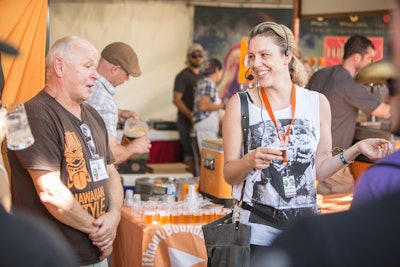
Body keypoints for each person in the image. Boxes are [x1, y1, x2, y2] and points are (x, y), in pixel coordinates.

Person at [222, 21, 393, 263]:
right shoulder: (240, 104)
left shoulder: (316, 103)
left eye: (264, 55)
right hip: (255, 232)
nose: (255, 63)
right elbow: (229, 173)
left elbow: (320, 169)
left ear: (286, 56)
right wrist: (249, 160)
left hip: (303, 229)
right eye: (251, 56)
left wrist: (355, 150)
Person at [8, 36, 123, 266]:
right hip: (53, 256)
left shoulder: (93, 115)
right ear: (59, 67)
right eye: (87, 66)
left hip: (95, 253)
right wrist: (100, 233)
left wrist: (114, 216)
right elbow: (50, 192)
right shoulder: (32, 115)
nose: (96, 75)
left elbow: (111, 172)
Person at [307, 35, 391, 195]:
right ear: (357, 57)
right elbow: (385, 111)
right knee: (344, 194)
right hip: (330, 158)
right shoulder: (348, 83)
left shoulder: (320, 74)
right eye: (369, 58)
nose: (370, 64)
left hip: (308, 152)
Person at [87, 42, 151, 165]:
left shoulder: (87, 84)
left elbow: (90, 111)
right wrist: (134, 147)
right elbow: (111, 156)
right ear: (115, 69)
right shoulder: (105, 101)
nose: (127, 79)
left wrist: (117, 113)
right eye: (127, 74)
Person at [173, 43, 205, 173]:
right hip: (185, 122)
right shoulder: (182, 76)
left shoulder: (204, 76)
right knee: (189, 154)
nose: (198, 58)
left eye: (200, 55)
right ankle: (189, 184)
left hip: (201, 122)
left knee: (201, 154)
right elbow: (176, 99)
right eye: (194, 55)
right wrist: (190, 115)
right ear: (188, 57)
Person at [193, 58, 224, 151]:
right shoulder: (209, 83)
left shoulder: (204, 81)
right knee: (208, 160)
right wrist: (224, 105)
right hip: (205, 129)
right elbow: (203, 106)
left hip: (205, 128)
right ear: (217, 70)